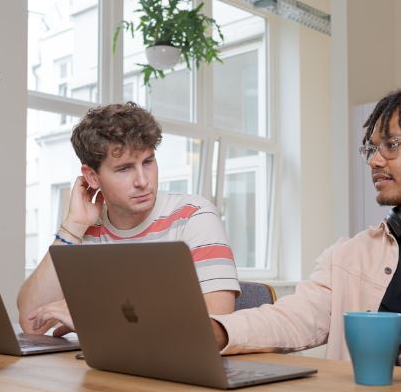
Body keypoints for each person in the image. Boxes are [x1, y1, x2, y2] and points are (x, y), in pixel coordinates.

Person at [210, 89, 401, 385]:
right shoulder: (347, 254)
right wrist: (218, 331)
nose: (374, 160)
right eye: (371, 148)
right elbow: (293, 317)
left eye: (392, 145)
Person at [18, 102, 240, 336]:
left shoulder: (194, 216)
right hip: (105, 365)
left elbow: (217, 327)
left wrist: (97, 320)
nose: (143, 180)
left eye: (147, 162)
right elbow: (31, 323)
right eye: (124, 169)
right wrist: (72, 226)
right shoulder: (87, 228)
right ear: (92, 177)